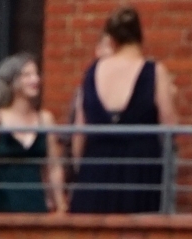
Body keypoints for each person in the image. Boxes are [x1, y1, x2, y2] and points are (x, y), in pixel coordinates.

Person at [62, 8, 179, 215]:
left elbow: (80, 130)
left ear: (112, 40)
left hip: (96, 168)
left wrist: (82, 168)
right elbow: (170, 126)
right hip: (140, 172)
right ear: (140, 37)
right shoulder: (154, 72)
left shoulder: (92, 72)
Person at [0, 55, 59, 214]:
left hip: (35, 202)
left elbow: (54, 167)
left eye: (36, 74)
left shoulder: (46, 119)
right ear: (12, 80)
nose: (35, 79)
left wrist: (60, 206)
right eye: (27, 75)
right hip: (2, 202)